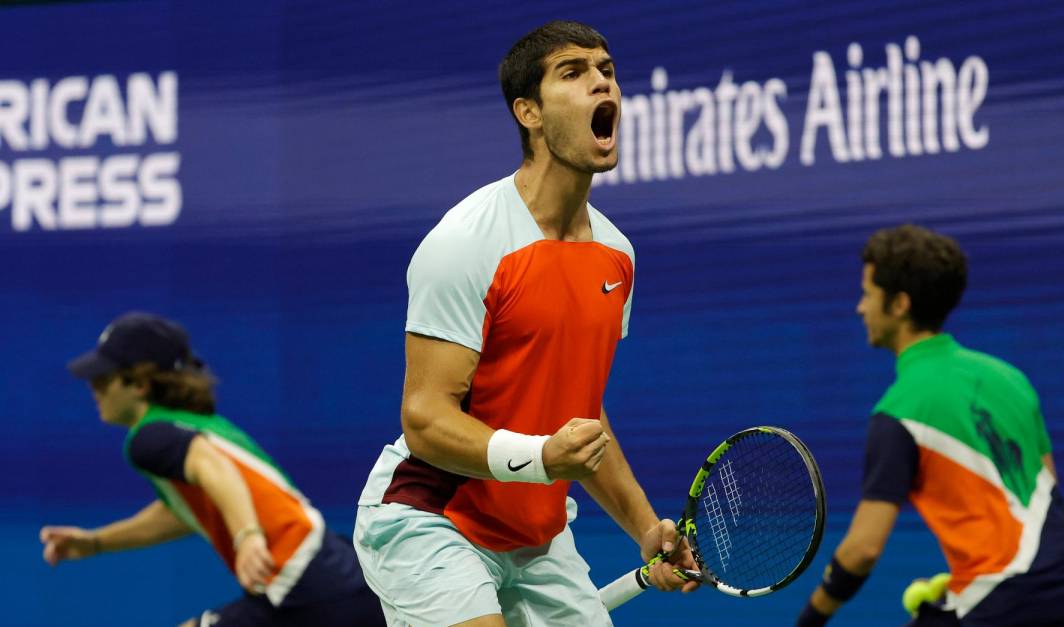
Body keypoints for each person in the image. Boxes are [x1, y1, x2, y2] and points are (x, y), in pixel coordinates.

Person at [353, 20, 697, 627]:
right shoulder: (466, 243)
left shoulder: (618, 256)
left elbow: (583, 418)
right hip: (431, 520)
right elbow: (426, 419)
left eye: (607, 71)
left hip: (537, 540)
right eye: (574, 73)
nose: (601, 83)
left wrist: (646, 526)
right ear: (529, 112)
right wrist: (540, 457)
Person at [796, 225, 1064, 626]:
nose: (860, 308)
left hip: (1003, 609)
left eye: (867, 294)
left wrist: (811, 617)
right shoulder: (1011, 378)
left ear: (899, 304)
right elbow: (1043, 493)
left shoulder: (899, 412)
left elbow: (862, 549)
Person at [40, 312, 386, 627]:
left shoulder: (149, 436)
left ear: (140, 383)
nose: (93, 389)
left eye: (103, 379)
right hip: (326, 578)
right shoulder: (195, 425)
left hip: (305, 586)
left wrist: (247, 537)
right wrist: (97, 542)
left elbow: (211, 466)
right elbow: (183, 510)